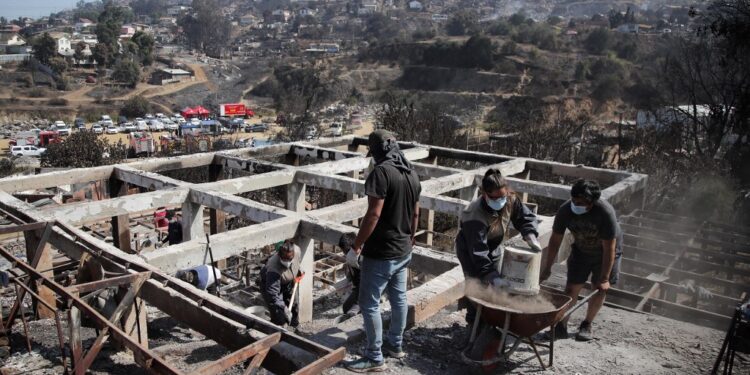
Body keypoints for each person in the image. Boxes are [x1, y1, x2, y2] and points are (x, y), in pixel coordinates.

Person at [345, 130, 421, 373]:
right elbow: (416, 213)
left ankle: (374, 356)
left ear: (376, 151)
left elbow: (373, 214)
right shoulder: (411, 172)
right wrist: (410, 238)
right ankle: (395, 345)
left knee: (369, 304)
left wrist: (356, 247)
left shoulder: (381, 173)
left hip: (382, 252)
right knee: (399, 298)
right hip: (403, 249)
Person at [540, 179, 622, 341]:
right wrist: (547, 267)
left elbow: (609, 248)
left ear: (592, 203)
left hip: (605, 254)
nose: (577, 205)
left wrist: (604, 278)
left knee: (599, 288)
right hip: (581, 250)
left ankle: (586, 324)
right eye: (574, 200)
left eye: (582, 203)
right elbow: (555, 240)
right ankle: (561, 326)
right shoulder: (565, 211)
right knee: (571, 289)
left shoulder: (605, 213)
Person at [455, 168, 541, 324]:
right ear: (485, 194)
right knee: (477, 286)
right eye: (495, 198)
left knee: (496, 287)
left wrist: (530, 234)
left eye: (503, 196)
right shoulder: (473, 214)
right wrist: (491, 276)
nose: (500, 201)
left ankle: (493, 319)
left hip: (494, 245)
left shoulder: (510, 200)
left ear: (507, 191)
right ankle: (474, 321)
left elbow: (524, 217)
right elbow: (478, 253)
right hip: (470, 251)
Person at [259, 240, 302, 328]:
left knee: (294, 304)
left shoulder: (297, 251)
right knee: (278, 313)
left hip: (287, 281)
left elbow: (297, 262)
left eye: (290, 259)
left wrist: (299, 270)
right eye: (284, 259)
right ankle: (279, 330)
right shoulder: (273, 268)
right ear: (279, 255)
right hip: (271, 284)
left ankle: (295, 326)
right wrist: (283, 308)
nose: (287, 262)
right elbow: (273, 295)